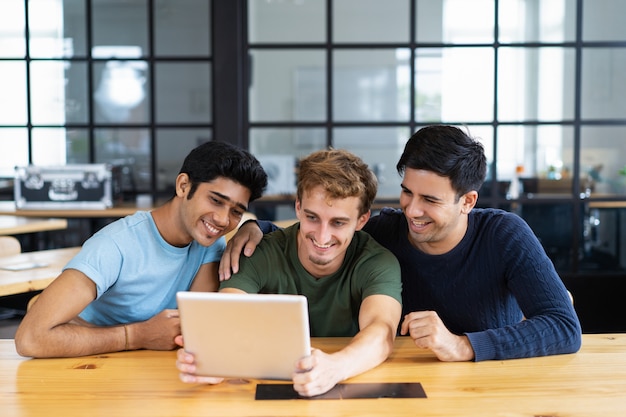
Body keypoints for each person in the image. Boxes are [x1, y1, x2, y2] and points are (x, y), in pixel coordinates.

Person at [221, 125, 582, 363]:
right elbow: (326, 229)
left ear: (467, 202)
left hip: (488, 383)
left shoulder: (506, 235)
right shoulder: (385, 231)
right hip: (407, 376)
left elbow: (564, 327)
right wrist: (258, 227)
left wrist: (463, 345)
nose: (413, 210)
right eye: (407, 192)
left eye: (431, 200)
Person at [176, 149, 403, 397]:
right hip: (266, 388)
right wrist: (216, 358)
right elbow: (227, 312)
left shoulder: (377, 262)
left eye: (338, 222)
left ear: (361, 220)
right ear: (298, 207)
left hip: (349, 388)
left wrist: (335, 368)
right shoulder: (258, 252)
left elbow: (381, 331)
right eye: (312, 217)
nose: (322, 236)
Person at [15, 141, 268, 358]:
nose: (224, 220)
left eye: (236, 211)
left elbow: (193, 329)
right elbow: (30, 338)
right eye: (215, 200)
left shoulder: (209, 245)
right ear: (183, 186)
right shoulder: (115, 245)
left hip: (144, 366)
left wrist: (254, 226)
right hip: (80, 364)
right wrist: (135, 336)